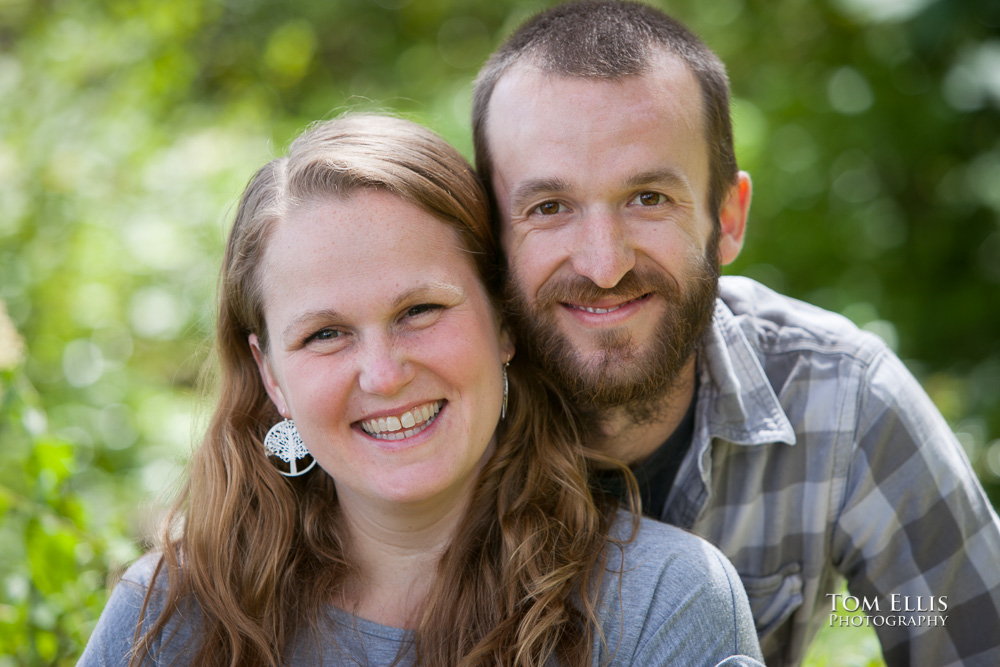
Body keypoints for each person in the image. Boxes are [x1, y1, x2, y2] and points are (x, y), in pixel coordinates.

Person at [78, 113, 763, 666]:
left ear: (502, 322)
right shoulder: (168, 616)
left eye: (419, 312)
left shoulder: (660, 603)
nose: (382, 374)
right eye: (325, 334)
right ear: (270, 376)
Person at [470, 2, 1000, 666]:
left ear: (728, 216)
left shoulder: (840, 399)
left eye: (648, 198)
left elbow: (962, 634)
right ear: (491, 237)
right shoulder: (430, 415)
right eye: (549, 208)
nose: (604, 265)